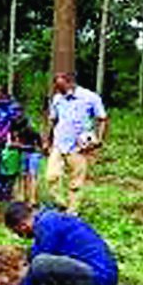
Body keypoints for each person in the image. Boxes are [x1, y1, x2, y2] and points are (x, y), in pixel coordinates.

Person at [0, 202, 118, 285]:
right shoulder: (49, 219)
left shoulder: (46, 224)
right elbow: (35, 252)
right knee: (34, 256)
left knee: (40, 263)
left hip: (98, 277)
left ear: (22, 226)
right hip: (97, 273)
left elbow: (40, 261)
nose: (21, 236)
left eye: (18, 232)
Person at [45, 72, 108, 212]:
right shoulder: (57, 99)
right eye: (57, 87)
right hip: (59, 143)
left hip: (79, 146)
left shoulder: (90, 97)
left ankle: (72, 211)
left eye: (61, 87)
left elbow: (102, 119)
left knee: (76, 180)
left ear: (70, 83)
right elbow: (53, 120)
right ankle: (60, 202)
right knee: (51, 176)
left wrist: (99, 140)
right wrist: (46, 140)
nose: (59, 90)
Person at [11, 123, 44, 203]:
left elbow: (39, 147)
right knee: (24, 175)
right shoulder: (18, 134)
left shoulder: (34, 135)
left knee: (31, 176)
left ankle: (32, 198)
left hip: (32, 154)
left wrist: (21, 146)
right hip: (24, 154)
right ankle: (23, 197)